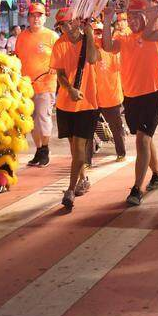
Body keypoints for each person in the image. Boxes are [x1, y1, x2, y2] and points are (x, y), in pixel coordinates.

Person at [102, 0, 158, 206]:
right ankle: (157, 173)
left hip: (153, 94)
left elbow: (155, 12)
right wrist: (107, 20)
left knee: (142, 140)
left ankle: (137, 188)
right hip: (130, 96)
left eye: (137, 15)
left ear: (145, 16)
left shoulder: (153, 34)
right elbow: (108, 46)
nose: (132, 20)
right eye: (130, 16)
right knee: (144, 137)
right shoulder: (124, 37)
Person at [51, 15, 99, 210]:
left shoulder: (88, 39)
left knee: (79, 147)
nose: (68, 27)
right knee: (74, 147)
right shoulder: (59, 44)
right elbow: (60, 74)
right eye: (63, 25)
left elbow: (93, 59)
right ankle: (83, 179)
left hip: (87, 103)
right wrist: (69, 89)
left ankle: (70, 190)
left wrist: (89, 33)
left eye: (71, 22)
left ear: (78, 21)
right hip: (66, 103)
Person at [16, 2, 58, 168]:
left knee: (43, 117)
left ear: (45, 18)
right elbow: (17, 59)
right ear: (28, 18)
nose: (36, 19)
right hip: (26, 86)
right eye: (33, 15)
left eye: (39, 16)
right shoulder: (22, 37)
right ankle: (39, 150)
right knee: (32, 120)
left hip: (46, 84)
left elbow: (60, 57)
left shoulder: (52, 36)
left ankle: (45, 149)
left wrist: (55, 67)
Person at [89, 20, 126, 163]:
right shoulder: (87, 51)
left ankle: (121, 152)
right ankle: (87, 159)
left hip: (111, 97)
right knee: (88, 129)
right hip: (92, 99)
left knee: (116, 128)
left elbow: (121, 69)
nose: (98, 36)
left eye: (100, 33)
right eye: (95, 33)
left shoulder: (112, 51)